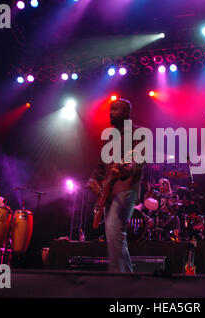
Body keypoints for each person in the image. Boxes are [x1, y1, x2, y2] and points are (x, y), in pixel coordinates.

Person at [86, 99, 144, 272]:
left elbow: (137, 164)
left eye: (115, 109)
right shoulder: (110, 137)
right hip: (108, 193)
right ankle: (129, 282)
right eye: (110, 110)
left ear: (126, 112)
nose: (111, 113)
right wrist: (92, 180)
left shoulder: (138, 134)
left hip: (126, 191)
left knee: (114, 233)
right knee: (116, 238)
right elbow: (101, 166)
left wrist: (125, 169)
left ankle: (117, 281)